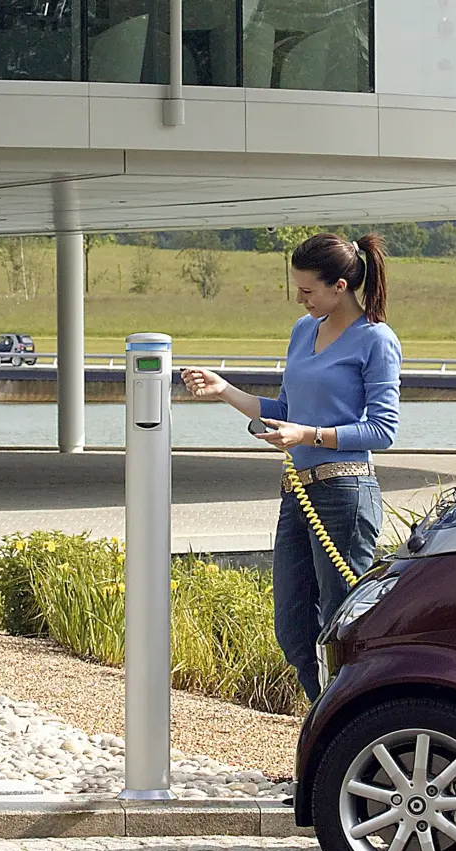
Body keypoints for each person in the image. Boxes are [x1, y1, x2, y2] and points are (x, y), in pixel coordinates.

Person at [181, 232, 402, 701]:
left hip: (344, 496)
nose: (300, 299)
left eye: (308, 291)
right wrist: (224, 391)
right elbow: (285, 406)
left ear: (340, 286)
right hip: (296, 494)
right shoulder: (304, 331)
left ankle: (349, 740)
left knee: (343, 629)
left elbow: (382, 430)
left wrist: (309, 436)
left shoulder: (375, 340)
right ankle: (321, 734)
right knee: (293, 630)